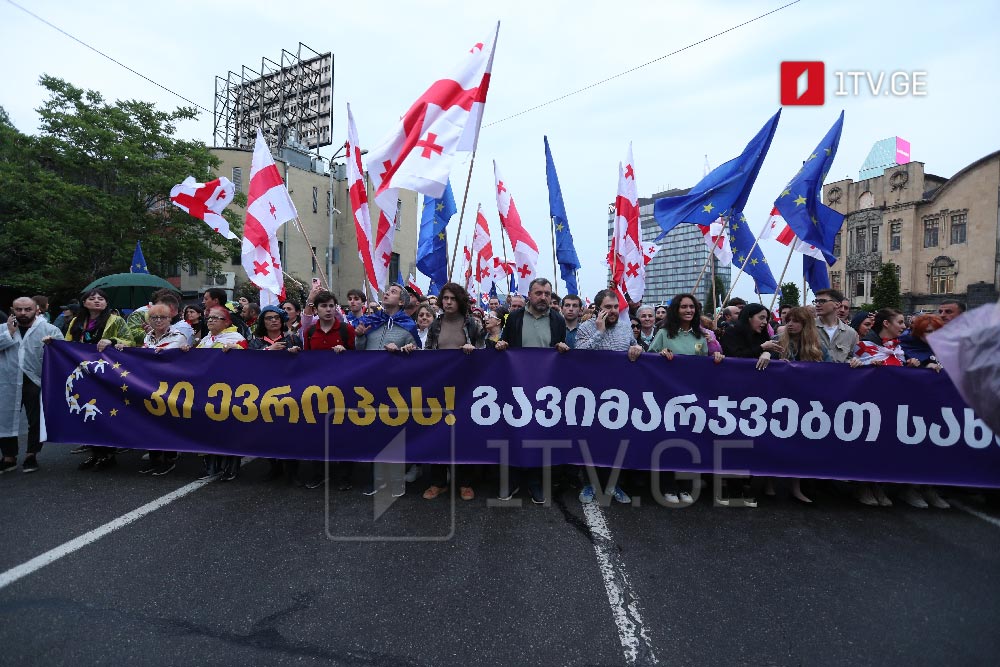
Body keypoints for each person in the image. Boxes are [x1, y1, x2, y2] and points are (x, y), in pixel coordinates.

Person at [494, 278, 569, 503]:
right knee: (515, 431)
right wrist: (501, 345)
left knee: (540, 433)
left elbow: (560, 347)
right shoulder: (515, 317)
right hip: (517, 385)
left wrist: (562, 348)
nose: (543, 297)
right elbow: (505, 343)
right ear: (530, 294)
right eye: (539, 293)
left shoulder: (557, 319)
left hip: (546, 388)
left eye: (547, 293)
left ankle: (535, 480)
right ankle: (514, 478)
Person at [647, 294, 723, 505]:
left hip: (694, 398)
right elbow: (649, 360)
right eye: (684, 307)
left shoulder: (703, 335)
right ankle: (668, 485)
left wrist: (716, 355)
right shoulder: (664, 333)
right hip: (667, 397)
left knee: (691, 441)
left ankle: (686, 485)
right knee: (668, 440)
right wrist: (660, 354)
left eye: (692, 307)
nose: (688, 310)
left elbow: (711, 357)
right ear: (676, 310)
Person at [574, 288, 643, 505]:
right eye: (608, 307)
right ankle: (590, 483)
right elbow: (580, 355)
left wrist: (637, 349)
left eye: (615, 307)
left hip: (619, 395)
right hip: (591, 395)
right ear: (598, 309)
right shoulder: (585, 327)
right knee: (591, 441)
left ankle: (614, 484)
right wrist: (599, 331)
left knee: (618, 441)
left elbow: (635, 349)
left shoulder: (625, 329)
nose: (613, 311)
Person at [756, 306, 830, 503]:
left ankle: (795, 486)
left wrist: (855, 363)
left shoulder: (818, 347)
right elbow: (755, 356)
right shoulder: (777, 342)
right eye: (788, 320)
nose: (790, 324)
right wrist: (765, 353)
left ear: (806, 324)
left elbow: (832, 370)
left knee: (798, 444)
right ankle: (769, 481)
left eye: (796, 321)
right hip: (776, 401)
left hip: (803, 403)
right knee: (773, 441)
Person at [422, 282, 485, 501]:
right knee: (437, 433)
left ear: (460, 301)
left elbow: (484, 354)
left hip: (466, 387)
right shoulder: (435, 325)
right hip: (440, 387)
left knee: (464, 434)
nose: (448, 302)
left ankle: (465, 482)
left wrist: (474, 351)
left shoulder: (473, 325)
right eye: (445, 298)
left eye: (452, 299)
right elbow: (427, 353)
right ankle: (438, 482)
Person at [355, 283, 419, 496]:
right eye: (387, 291)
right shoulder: (372, 322)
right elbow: (360, 351)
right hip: (372, 386)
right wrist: (361, 336)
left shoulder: (408, 326)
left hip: (396, 389)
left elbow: (417, 356)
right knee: (374, 433)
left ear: (401, 301)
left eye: (392, 292)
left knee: (395, 434)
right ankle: (378, 480)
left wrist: (404, 350)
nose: (386, 294)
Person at [718, 303, 783, 507]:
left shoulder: (762, 337)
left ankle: (745, 485)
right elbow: (736, 357)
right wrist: (761, 350)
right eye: (761, 318)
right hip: (733, 395)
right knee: (733, 441)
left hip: (755, 400)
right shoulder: (730, 333)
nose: (765, 322)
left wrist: (768, 354)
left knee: (751, 441)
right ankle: (729, 490)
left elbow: (772, 357)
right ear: (748, 318)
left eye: (766, 319)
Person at [64, 288, 132, 471]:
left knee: (104, 412)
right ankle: (95, 453)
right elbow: (67, 344)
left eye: (101, 299)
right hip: (83, 373)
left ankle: (108, 454)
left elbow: (130, 341)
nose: (97, 301)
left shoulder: (115, 320)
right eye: (92, 298)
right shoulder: (75, 322)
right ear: (84, 302)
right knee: (87, 414)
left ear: (106, 302)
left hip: (106, 374)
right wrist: (52, 344)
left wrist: (112, 340)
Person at [298, 290, 355, 489]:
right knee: (318, 434)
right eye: (324, 306)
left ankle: (345, 476)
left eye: (331, 306)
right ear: (316, 309)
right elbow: (306, 359)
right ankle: (319, 473)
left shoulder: (347, 330)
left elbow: (358, 361)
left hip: (342, 389)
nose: (328, 310)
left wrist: (345, 353)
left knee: (343, 434)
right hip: (317, 390)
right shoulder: (310, 332)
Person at [123, 303, 188, 475]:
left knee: (167, 422)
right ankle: (154, 458)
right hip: (149, 385)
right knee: (149, 422)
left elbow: (168, 357)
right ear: (148, 320)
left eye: (163, 317)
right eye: (154, 317)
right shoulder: (148, 337)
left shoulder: (178, 336)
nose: (158, 321)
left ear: (170, 319)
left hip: (170, 386)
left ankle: (169, 458)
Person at [1, 297, 62, 474]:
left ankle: (31, 454)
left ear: (37, 310)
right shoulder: (3, 329)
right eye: (19, 309)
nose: (23, 313)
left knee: (35, 420)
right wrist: (9, 334)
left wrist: (54, 345)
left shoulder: (49, 329)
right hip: (8, 381)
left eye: (27, 309)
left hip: (35, 380)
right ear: (12, 310)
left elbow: (62, 352)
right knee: (4, 418)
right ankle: (8, 457)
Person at [193, 306, 247, 481]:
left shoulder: (236, 338)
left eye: (216, 318)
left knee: (229, 429)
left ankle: (231, 467)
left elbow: (247, 358)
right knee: (207, 429)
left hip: (229, 390)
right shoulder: (205, 340)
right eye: (209, 317)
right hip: (206, 390)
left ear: (227, 322)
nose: (210, 320)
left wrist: (236, 349)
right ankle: (210, 466)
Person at [813, 289, 859, 363]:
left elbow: (851, 357)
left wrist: (854, 362)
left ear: (837, 305)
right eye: (816, 301)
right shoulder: (807, 327)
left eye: (822, 301)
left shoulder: (851, 333)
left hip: (839, 374)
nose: (817, 304)